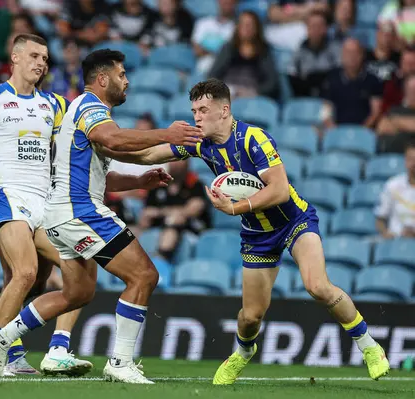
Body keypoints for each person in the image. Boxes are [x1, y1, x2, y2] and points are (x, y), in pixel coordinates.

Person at [109, 78, 391, 384]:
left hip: (293, 221)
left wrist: (234, 208)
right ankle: (243, 352)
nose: (197, 116)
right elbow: (148, 155)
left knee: (317, 286)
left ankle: (369, 346)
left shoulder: (253, 138)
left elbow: (280, 190)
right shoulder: (199, 142)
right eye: (194, 110)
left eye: (203, 109)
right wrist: (108, 148)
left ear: (224, 110)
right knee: (250, 316)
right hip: (257, 234)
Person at [0, 48, 203, 383]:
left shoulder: (88, 114)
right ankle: (120, 362)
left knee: (77, 294)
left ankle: (1, 339)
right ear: (102, 78)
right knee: (143, 276)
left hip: (61, 214)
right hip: (79, 211)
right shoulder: (89, 107)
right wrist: (169, 134)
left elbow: (117, 159)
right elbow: (113, 139)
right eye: (122, 75)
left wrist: (144, 178)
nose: (127, 81)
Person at [0, 33, 93, 377]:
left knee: (81, 271)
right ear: (15, 58)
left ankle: (41, 341)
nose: (42, 62)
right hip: (8, 197)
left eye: (45, 57)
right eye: (35, 56)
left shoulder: (54, 105)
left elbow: (67, 153)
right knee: (25, 272)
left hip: (45, 201)